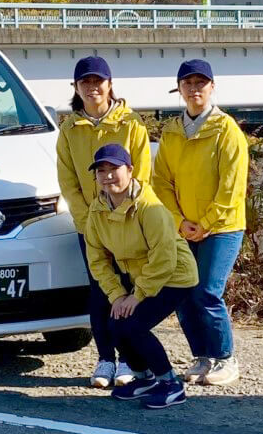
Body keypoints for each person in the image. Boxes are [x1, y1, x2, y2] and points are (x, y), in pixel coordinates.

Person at [56, 56, 152, 388]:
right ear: (76, 88)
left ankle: (128, 358)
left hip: (128, 223)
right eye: (85, 82)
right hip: (91, 227)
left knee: (128, 288)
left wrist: (129, 215)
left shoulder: (132, 123)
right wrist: (89, 222)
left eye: (98, 81)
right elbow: (68, 180)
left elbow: (143, 174)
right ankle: (104, 360)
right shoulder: (69, 129)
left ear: (110, 84)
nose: (92, 87)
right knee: (99, 290)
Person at [152, 59, 248, 386]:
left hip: (222, 227)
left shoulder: (227, 130)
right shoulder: (171, 132)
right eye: (188, 83)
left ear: (212, 87)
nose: (195, 89)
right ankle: (203, 357)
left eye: (200, 83)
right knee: (183, 293)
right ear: (179, 89)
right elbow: (161, 182)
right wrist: (180, 222)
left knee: (207, 291)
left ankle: (226, 358)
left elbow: (232, 188)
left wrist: (204, 223)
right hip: (184, 227)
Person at [84, 144, 199, 409]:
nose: (107, 175)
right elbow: (97, 259)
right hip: (140, 278)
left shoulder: (150, 208)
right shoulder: (97, 209)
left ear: (130, 171)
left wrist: (137, 296)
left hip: (174, 275)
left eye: (114, 169)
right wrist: (117, 295)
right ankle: (144, 377)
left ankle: (171, 384)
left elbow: (164, 259)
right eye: (101, 170)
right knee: (116, 323)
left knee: (133, 324)